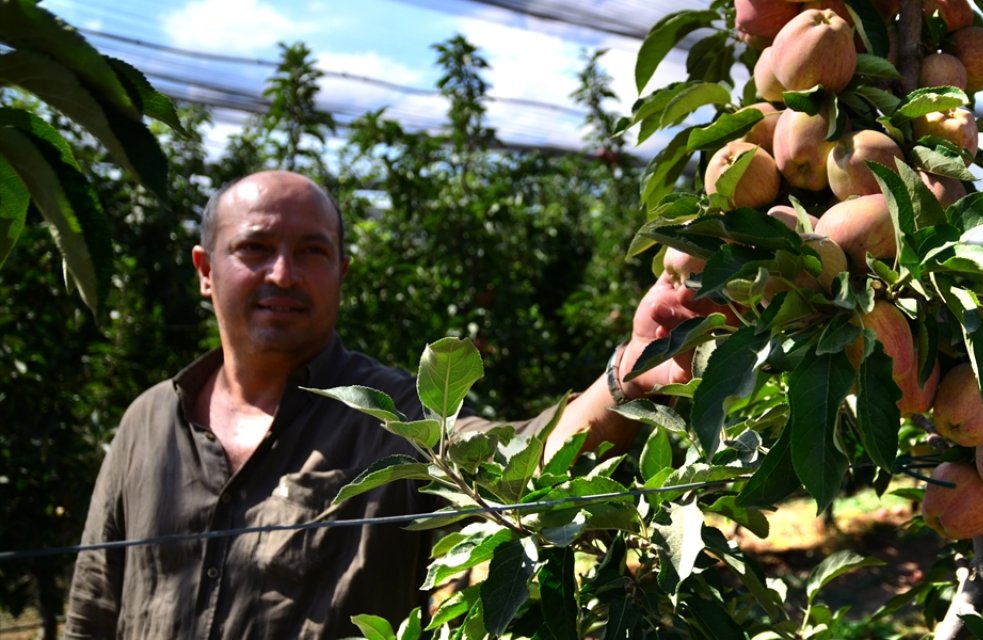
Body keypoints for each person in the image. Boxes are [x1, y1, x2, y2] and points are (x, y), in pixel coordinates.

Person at [63, 170, 726, 639]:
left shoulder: (389, 416)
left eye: (312, 252)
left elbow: (519, 464)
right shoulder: (147, 422)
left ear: (342, 275)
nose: (284, 275)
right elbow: (93, 609)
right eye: (255, 249)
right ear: (206, 270)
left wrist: (626, 380)